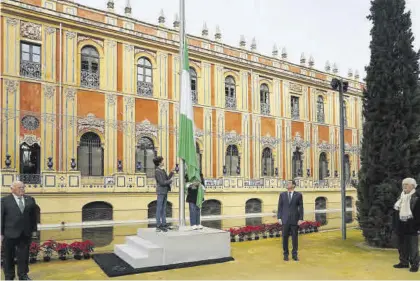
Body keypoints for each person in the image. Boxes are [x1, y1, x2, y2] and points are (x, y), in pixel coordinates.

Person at [1, 181, 38, 280]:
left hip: (25, 233)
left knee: (24, 256)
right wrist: (1, 234)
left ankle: (23, 275)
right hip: (9, 233)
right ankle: (9, 276)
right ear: (12, 189)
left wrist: (34, 230)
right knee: (8, 257)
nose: (22, 189)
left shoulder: (30, 200)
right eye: (19, 187)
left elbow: (34, 217)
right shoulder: (4, 201)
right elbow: (1, 218)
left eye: (23, 187)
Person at [393, 177, 420, 272]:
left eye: (407, 184)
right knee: (402, 245)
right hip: (401, 224)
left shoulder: (417, 197)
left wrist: (417, 226)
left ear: (412, 186)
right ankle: (404, 262)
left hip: (412, 225)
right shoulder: (401, 196)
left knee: (413, 246)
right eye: (403, 184)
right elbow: (396, 211)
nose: (404, 186)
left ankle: (415, 264)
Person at [277, 180, 304, 261]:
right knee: (284, 237)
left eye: (289, 183)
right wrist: (279, 217)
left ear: (293, 185)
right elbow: (280, 207)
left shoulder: (298, 195)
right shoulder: (282, 195)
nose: (287, 184)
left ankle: (294, 255)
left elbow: (301, 207)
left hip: (295, 220)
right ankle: (285, 254)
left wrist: (301, 218)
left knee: (294, 238)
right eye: (286, 183)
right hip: (285, 220)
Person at [153, 156, 175, 232]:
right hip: (161, 191)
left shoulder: (162, 170)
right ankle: (158, 225)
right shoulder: (157, 171)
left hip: (165, 191)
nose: (163, 162)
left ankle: (164, 224)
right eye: (162, 161)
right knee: (159, 209)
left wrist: (172, 172)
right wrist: (170, 181)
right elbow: (162, 182)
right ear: (159, 162)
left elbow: (166, 179)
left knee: (163, 208)